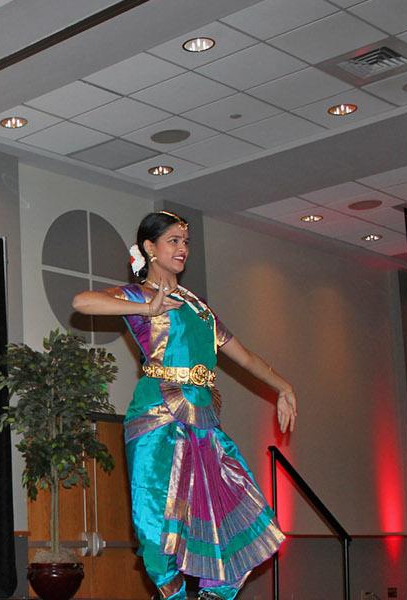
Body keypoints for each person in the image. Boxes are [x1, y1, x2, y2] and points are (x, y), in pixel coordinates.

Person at [71, 211, 296, 600]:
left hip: (204, 421)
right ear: (149, 248)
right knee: (154, 525)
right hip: (157, 417)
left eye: (185, 242)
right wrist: (146, 310)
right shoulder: (140, 295)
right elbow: (82, 301)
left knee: (234, 514)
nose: (182, 249)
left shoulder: (199, 307)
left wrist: (284, 386)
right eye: (173, 240)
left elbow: (244, 357)